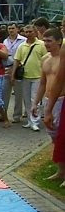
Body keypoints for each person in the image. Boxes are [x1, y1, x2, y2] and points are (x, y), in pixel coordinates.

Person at [11, 24, 47, 131]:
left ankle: (35, 121)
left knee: (35, 99)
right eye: (26, 32)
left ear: (35, 32)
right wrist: (13, 74)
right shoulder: (22, 46)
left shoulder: (41, 44)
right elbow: (17, 60)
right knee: (26, 100)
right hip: (25, 76)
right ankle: (30, 121)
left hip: (38, 76)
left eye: (30, 31)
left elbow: (46, 58)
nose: (28, 34)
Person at [44, 31, 65, 188]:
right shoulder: (47, 59)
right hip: (55, 99)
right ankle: (61, 170)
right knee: (58, 137)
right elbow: (58, 79)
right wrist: (48, 109)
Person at [2, 23, 26, 123]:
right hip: (7, 68)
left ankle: (17, 115)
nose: (11, 30)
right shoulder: (5, 41)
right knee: (4, 93)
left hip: (18, 68)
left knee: (18, 94)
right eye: (9, 28)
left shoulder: (23, 40)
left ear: (17, 29)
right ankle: (3, 114)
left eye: (13, 28)